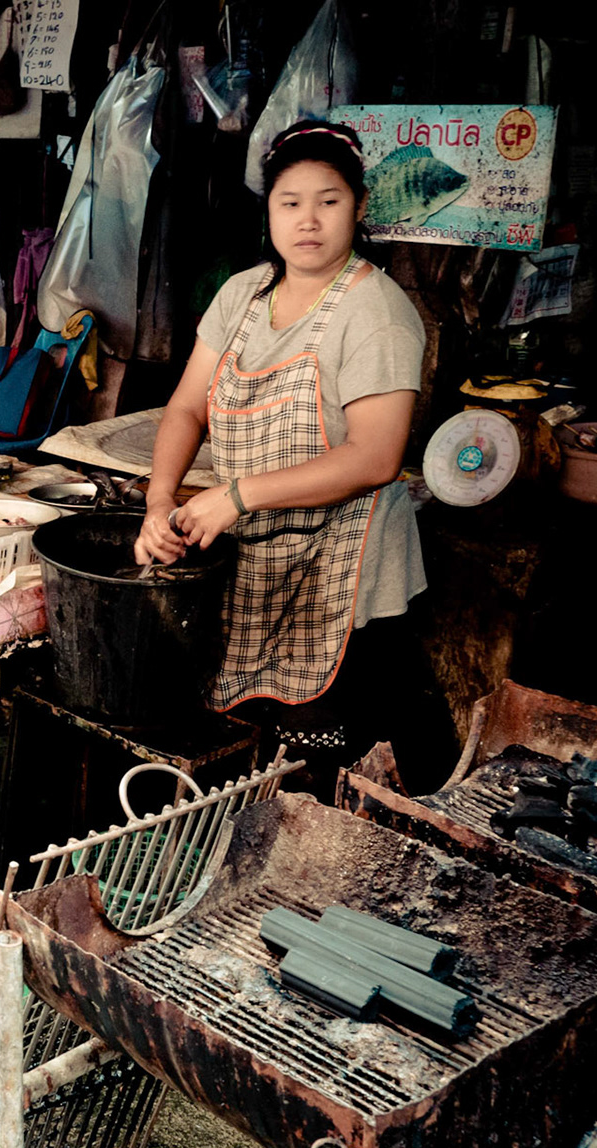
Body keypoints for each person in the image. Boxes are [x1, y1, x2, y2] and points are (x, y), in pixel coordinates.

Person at [134, 120, 449, 789]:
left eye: (328, 201)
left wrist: (236, 496)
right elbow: (188, 407)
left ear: (360, 207)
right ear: (269, 211)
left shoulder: (377, 311)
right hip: (259, 558)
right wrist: (161, 499)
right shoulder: (241, 295)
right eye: (290, 201)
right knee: (253, 763)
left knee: (331, 777)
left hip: (350, 574)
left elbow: (375, 457)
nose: (309, 220)